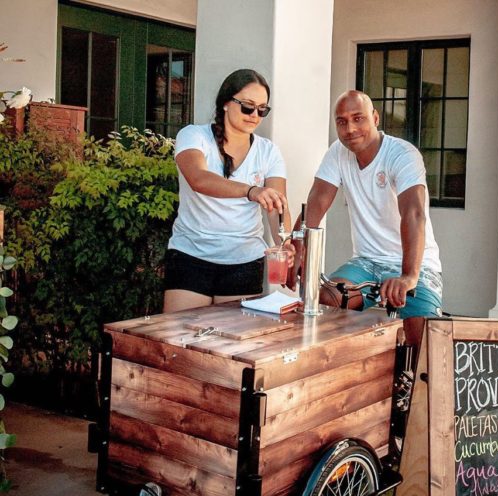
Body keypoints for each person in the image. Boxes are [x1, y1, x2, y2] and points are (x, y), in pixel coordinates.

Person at [289, 89, 442, 350]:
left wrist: (408, 276)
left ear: (375, 118)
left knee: (424, 342)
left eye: (358, 118)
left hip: (415, 264)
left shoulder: (402, 154)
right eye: (342, 121)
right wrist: (297, 247)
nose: (350, 128)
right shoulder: (337, 152)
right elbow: (316, 202)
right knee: (321, 306)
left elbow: (413, 213)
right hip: (366, 262)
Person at [163, 69, 293, 313]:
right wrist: (251, 191)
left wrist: (285, 243)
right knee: (179, 341)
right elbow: (198, 179)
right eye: (247, 106)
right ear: (226, 103)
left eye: (262, 109)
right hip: (191, 254)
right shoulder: (194, 135)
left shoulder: (268, 151)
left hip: (244, 259)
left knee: (234, 345)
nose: (255, 115)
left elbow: (277, 206)